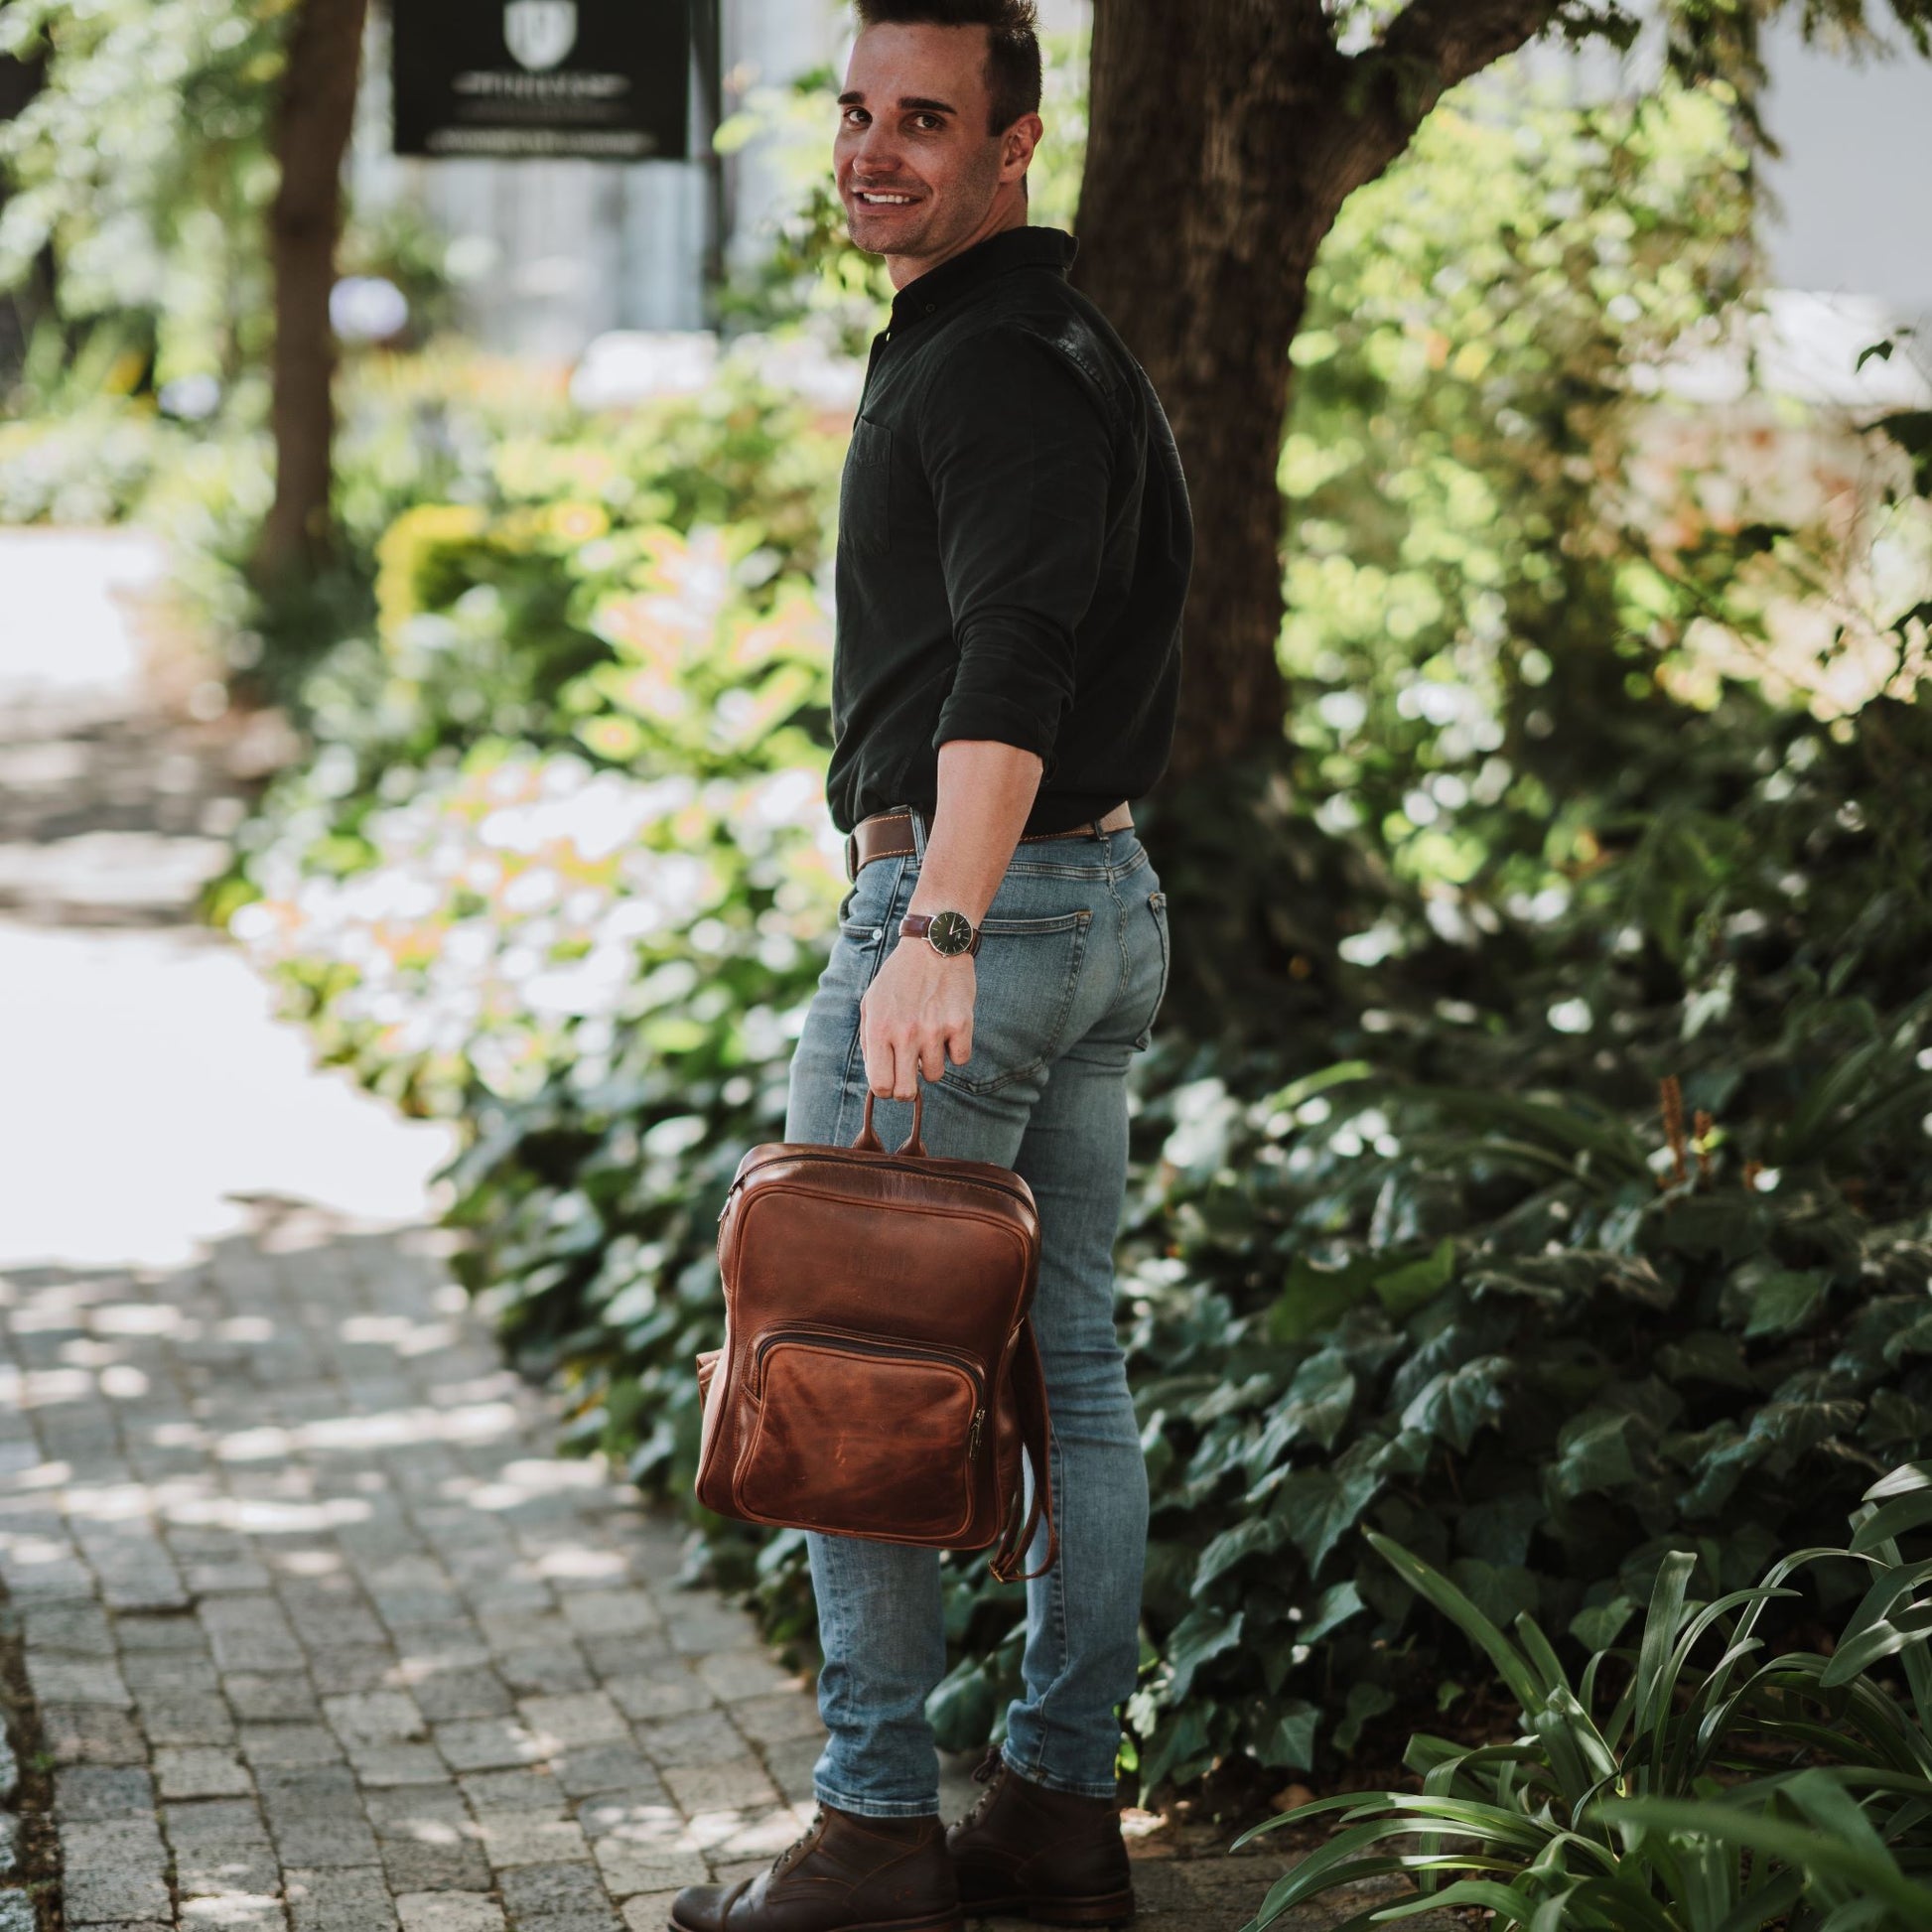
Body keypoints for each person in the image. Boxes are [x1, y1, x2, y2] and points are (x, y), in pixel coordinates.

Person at [671, 2, 1190, 1927]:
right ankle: (1055, 1825)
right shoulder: (1039, 347)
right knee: (1070, 1370)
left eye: (926, 120)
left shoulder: (1000, 368)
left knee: (848, 1367)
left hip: (984, 918)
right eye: (857, 112)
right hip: (1100, 913)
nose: (875, 151)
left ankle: (876, 1836)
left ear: (1016, 145)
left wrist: (936, 931)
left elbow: (1016, 662)